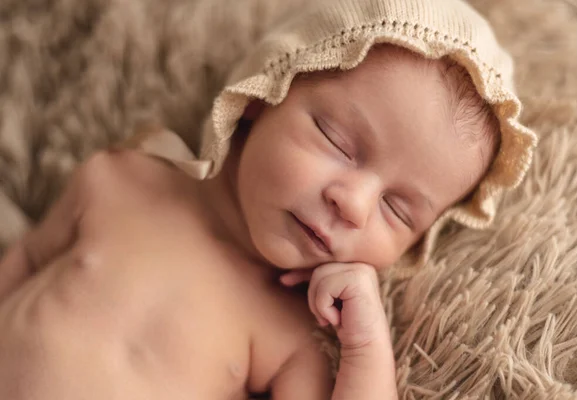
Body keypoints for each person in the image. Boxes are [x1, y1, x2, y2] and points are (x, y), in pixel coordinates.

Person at [0, 0, 537, 398]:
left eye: (398, 210)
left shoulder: (290, 329)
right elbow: (24, 261)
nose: (353, 204)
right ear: (262, 97)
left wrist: (366, 345)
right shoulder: (121, 182)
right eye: (339, 143)